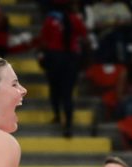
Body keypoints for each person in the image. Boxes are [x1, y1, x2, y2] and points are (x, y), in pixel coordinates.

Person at [38, 0, 89, 137]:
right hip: (70, 59)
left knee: (55, 89)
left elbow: (43, 41)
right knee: (67, 93)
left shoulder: (50, 19)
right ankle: (68, 125)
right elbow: (85, 39)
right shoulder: (75, 19)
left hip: (55, 58)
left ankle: (57, 116)